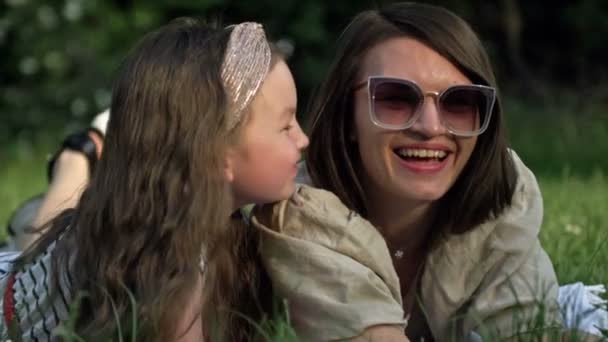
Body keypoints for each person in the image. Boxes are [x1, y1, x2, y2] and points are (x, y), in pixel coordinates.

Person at [251, 2, 568, 341]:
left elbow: (527, 333)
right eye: (395, 98)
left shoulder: (506, 201)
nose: (431, 127)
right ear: (347, 117)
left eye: (459, 102)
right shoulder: (297, 217)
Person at [0, 18, 308, 341]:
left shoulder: (179, 221)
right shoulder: (171, 270)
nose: (303, 139)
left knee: (41, 234)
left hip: (25, 276)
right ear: (218, 153)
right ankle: (79, 155)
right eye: (286, 126)